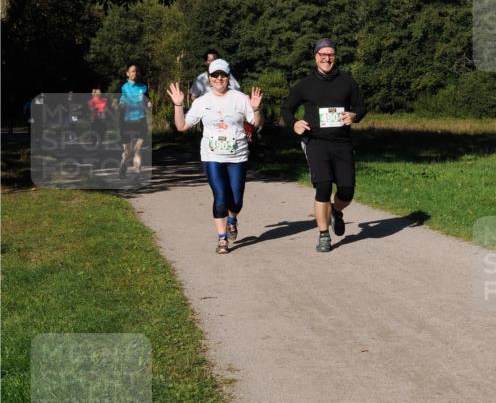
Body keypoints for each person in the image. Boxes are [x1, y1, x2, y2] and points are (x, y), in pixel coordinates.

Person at [167, 59, 263, 253]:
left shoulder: (240, 98)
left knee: (236, 201)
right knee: (220, 197)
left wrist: (255, 108)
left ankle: (232, 218)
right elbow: (182, 126)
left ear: (228, 77)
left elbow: (257, 123)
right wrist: (178, 105)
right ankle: (222, 239)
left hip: (237, 156)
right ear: (209, 79)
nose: (219, 79)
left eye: (223, 75)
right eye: (215, 75)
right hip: (211, 155)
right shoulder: (202, 102)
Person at [282, 38, 366, 253]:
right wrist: (295, 123)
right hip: (316, 143)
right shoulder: (305, 84)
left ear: (335, 57)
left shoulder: (347, 82)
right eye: (323, 54)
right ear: (316, 57)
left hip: (342, 143)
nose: (327, 58)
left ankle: (336, 212)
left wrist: (354, 116)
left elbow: (360, 106)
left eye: (330, 55)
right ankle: (323, 235)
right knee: (324, 187)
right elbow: (287, 109)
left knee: (346, 191)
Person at [118, 64, 150, 179]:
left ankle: (137, 176)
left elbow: (147, 100)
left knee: (137, 150)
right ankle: (124, 164)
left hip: (140, 120)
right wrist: (120, 105)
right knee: (128, 152)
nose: (134, 73)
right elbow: (119, 100)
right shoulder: (122, 87)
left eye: (136, 71)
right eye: (132, 71)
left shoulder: (143, 87)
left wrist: (149, 104)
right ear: (127, 73)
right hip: (126, 122)